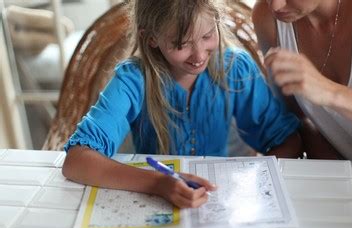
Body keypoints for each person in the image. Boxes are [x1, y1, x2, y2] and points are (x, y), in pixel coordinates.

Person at [62, 0, 302, 208]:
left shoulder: (235, 69)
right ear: (151, 38)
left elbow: (288, 142)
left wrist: (251, 184)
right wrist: (158, 183)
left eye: (207, 36)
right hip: (154, 204)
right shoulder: (133, 80)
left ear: (218, 21)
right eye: (181, 44)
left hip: (218, 202)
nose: (199, 56)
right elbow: (76, 161)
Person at [252, 0, 352, 161]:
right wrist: (333, 172)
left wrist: (331, 92)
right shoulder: (267, 18)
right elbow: (299, 119)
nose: (275, 6)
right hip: (345, 172)